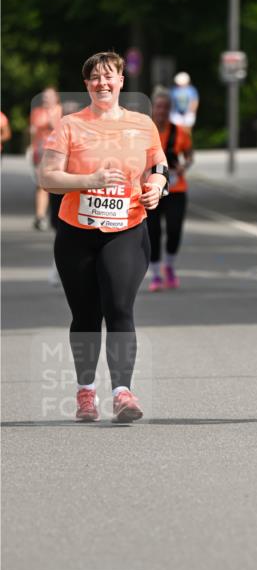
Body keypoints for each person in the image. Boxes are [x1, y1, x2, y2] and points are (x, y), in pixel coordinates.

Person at [39, 51, 168, 423]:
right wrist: (89, 181)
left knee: (119, 306)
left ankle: (122, 393)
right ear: (86, 85)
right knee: (85, 314)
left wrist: (156, 187)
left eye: (109, 76)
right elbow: (48, 178)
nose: (102, 83)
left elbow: (159, 168)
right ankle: (86, 391)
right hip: (76, 233)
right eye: (94, 77)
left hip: (126, 229)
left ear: (121, 81)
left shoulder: (142, 124)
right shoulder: (69, 126)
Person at [146, 88, 193, 291]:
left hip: (176, 188)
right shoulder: (144, 132)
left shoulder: (180, 131)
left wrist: (185, 165)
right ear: (152, 109)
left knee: (174, 229)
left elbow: (189, 154)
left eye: (166, 107)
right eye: (158, 107)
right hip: (151, 188)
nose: (162, 111)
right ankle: (156, 275)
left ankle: (169, 267)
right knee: (153, 231)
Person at [31, 87, 62, 230]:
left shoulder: (60, 111)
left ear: (56, 98)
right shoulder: (37, 112)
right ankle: (40, 216)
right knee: (40, 184)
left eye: (49, 97)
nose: (45, 99)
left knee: (55, 182)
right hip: (40, 150)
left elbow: (56, 127)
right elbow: (34, 130)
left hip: (56, 151)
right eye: (44, 96)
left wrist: (50, 114)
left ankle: (56, 215)